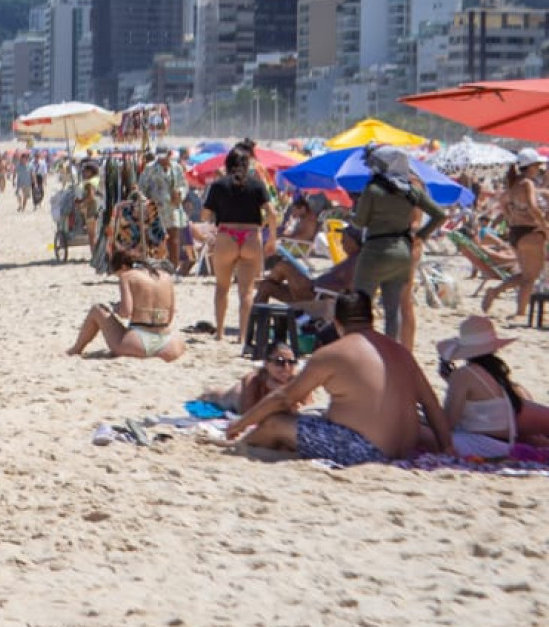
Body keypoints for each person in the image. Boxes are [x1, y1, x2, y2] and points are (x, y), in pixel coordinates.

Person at [228, 290, 453, 465]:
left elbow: (284, 398)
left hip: (366, 451)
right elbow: (431, 405)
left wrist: (241, 424)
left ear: (336, 322)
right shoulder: (399, 351)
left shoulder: (333, 353)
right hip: (404, 448)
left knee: (274, 424)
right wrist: (448, 449)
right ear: (371, 318)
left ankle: (241, 446)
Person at [349, 145, 447, 344]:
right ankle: (390, 353)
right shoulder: (411, 190)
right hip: (402, 252)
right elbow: (440, 215)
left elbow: (359, 223)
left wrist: (350, 215)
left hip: (375, 251)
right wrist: (421, 236)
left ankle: (362, 348)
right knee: (393, 312)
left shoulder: (373, 189)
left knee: (361, 305)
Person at [438, 314, 549, 457]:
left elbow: (448, 422)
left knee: (422, 432)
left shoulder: (463, 374)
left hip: (481, 444)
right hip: (503, 444)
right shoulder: (495, 373)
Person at [200, 147, 277, 342]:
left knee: (222, 287)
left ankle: (219, 333)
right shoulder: (257, 184)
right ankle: (242, 336)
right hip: (251, 236)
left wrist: (209, 229)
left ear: (227, 164)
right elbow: (273, 213)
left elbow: (205, 215)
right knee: (247, 291)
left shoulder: (218, 185)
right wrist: (271, 238)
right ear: (247, 164)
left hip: (226, 235)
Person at [66, 251, 185, 362]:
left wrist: (117, 308)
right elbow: (170, 315)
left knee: (97, 309)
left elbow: (126, 312)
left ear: (123, 267)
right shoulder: (166, 277)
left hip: (138, 342)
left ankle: (76, 349)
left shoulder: (127, 276)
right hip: (169, 344)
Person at [482, 149, 548, 321]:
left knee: (528, 275)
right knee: (531, 276)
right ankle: (517, 310)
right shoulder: (528, 183)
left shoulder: (514, 183)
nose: (540, 167)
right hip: (531, 232)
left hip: (516, 232)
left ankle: (501, 296)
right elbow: (533, 207)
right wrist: (545, 226)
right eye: (538, 164)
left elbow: (502, 203)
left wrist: (511, 218)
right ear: (531, 166)